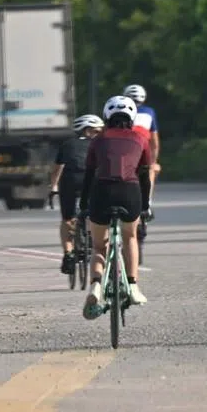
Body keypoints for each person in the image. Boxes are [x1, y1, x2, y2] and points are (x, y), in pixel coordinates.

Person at [79, 95, 153, 319]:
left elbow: (89, 176)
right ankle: (132, 285)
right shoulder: (141, 139)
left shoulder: (97, 140)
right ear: (131, 117)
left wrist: (84, 205)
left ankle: (95, 285)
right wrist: (145, 204)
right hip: (129, 192)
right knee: (130, 237)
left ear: (107, 116)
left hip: (101, 192)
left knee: (99, 247)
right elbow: (145, 176)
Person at [49, 114, 104, 275]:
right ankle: (90, 238)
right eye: (96, 131)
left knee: (67, 218)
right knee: (94, 213)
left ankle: (68, 254)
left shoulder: (67, 144)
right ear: (87, 131)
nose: (99, 134)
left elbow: (57, 169)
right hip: (93, 179)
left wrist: (53, 187)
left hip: (70, 181)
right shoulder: (100, 144)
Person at [123, 83, 161, 267]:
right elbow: (154, 141)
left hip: (125, 156)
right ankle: (148, 203)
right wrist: (154, 161)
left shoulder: (121, 110)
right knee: (150, 172)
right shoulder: (149, 112)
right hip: (143, 154)